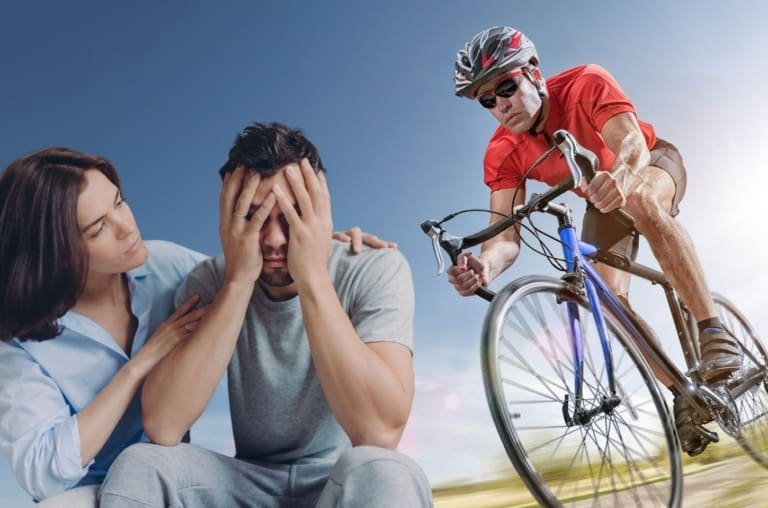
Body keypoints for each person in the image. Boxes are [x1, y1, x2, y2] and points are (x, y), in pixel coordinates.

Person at [0, 147, 392, 506]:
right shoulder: (20, 346)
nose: (126, 226)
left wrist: (317, 245)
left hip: (167, 476)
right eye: (99, 227)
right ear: (57, 252)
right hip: (91, 491)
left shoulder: (166, 266)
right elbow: (42, 472)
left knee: (147, 464)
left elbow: (247, 275)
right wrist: (138, 367)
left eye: (119, 202)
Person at [98, 122, 432, 507]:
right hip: (247, 483)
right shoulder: (210, 282)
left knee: (388, 471)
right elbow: (164, 425)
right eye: (254, 217)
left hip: (339, 483)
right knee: (141, 464)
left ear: (321, 211)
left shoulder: (375, 269)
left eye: (289, 217)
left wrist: (313, 278)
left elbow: (379, 433)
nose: (273, 240)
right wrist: (239, 281)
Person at [447, 26, 739, 457]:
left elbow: (632, 145)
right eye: (486, 100)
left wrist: (621, 178)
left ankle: (713, 331)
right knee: (605, 297)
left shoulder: (585, 82)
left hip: (649, 164)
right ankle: (683, 393)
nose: (500, 104)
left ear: (533, 73)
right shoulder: (502, 152)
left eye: (505, 87)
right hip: (601, 198)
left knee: (639, 198)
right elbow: (505, 236)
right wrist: (485, 265)